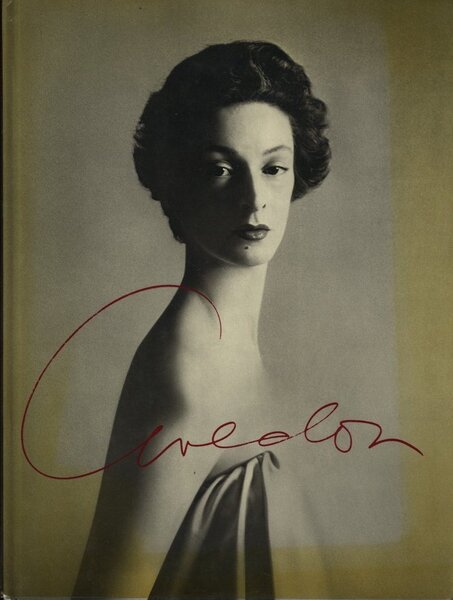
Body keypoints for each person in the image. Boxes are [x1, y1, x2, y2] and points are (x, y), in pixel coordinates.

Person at [73, 40, 330, 599]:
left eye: (274, 167)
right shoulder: (190, 372)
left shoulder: (229, 344)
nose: (255, 198)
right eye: (221, 169)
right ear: (176, 182)